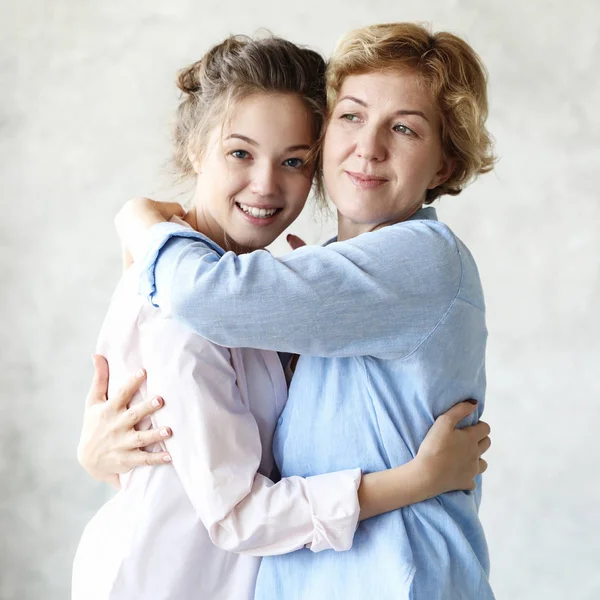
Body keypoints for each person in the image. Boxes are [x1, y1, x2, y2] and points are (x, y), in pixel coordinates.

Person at [74, 34, 491, 600]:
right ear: (195, 148)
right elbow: (223, 498)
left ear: (444, 162)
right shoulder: (206, 295)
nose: (368, 148)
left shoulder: (390, 264)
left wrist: (139, 224)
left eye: (404, 127)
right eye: (351, 116)